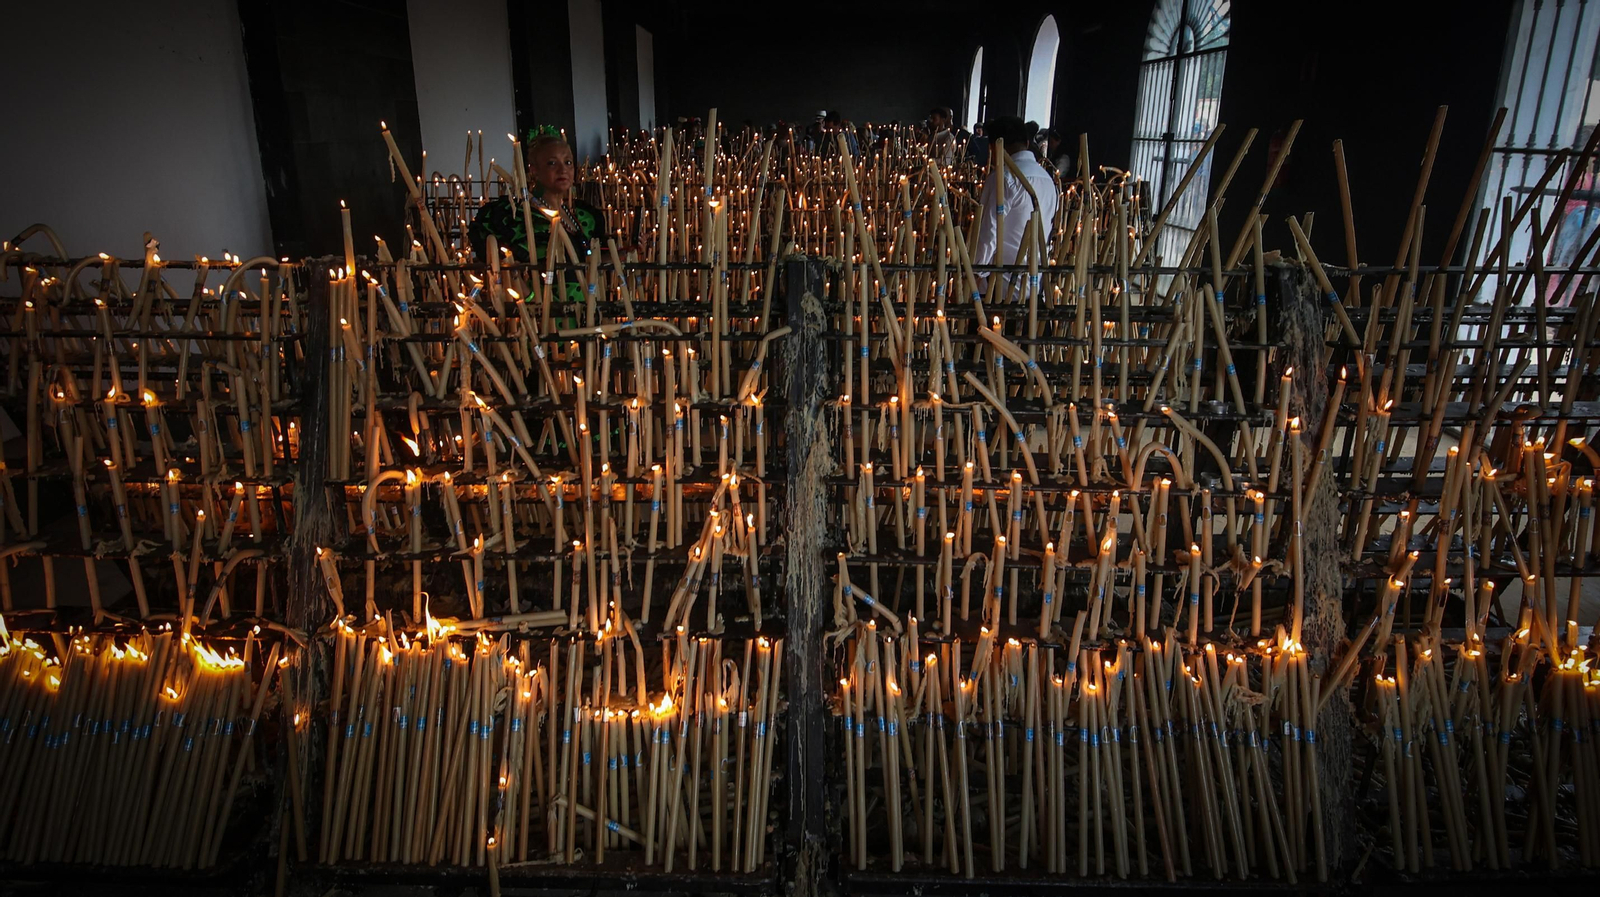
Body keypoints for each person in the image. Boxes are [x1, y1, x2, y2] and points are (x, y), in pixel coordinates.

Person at [469, 128, 604, 301]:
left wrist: (628, 253)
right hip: (545, 314)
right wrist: (530, 297)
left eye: (568, 162)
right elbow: (506, 269)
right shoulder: (519, 217)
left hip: (585, 310)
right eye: (552, 163)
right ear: (534, 170)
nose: (563, 170)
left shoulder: (581, 216)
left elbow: (588, 260)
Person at [973, 116, 1059, 275]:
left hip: (1000, 282)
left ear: (993, 147)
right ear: (1027, 143)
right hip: (1035, 277)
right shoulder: (1049, 180)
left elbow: (989, 232)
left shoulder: (1003, 178)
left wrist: (976, 272)